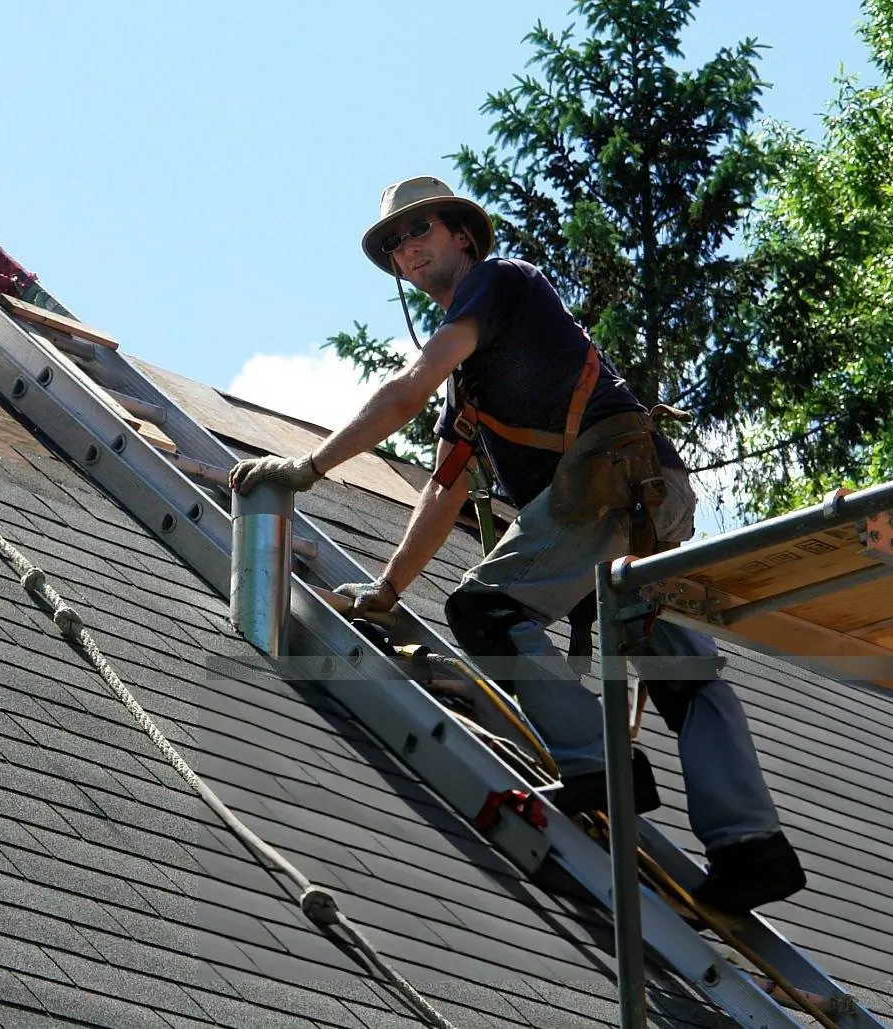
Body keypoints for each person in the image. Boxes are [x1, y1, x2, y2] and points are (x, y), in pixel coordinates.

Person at [228, 176, 804, 914]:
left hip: (612, 483)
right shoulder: (468, 380)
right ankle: (752, 848)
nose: (406, 249)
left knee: (487, 611)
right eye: (395, 243)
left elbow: (407, 386)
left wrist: (308, 468)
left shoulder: (500, 283)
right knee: (678, 670)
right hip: (634, 495)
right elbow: (443, 488)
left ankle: (603, 766)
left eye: (420, 231)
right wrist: (389, 590)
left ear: (461, 236)